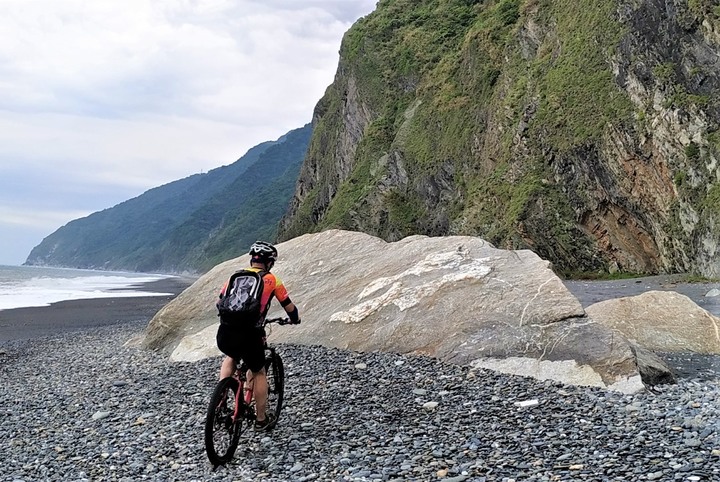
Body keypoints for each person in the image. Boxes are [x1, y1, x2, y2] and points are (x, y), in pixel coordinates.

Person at [215, 241, 300, 431]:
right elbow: (289, 306)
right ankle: (261, 420)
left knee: (231, 356)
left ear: (252, 259)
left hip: (226, 331)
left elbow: (220, 302)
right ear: (269, 262)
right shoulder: (272, 280)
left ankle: (220, 397)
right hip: (251, 334)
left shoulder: (234, 277)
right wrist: (294, 319)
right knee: (259, 371)